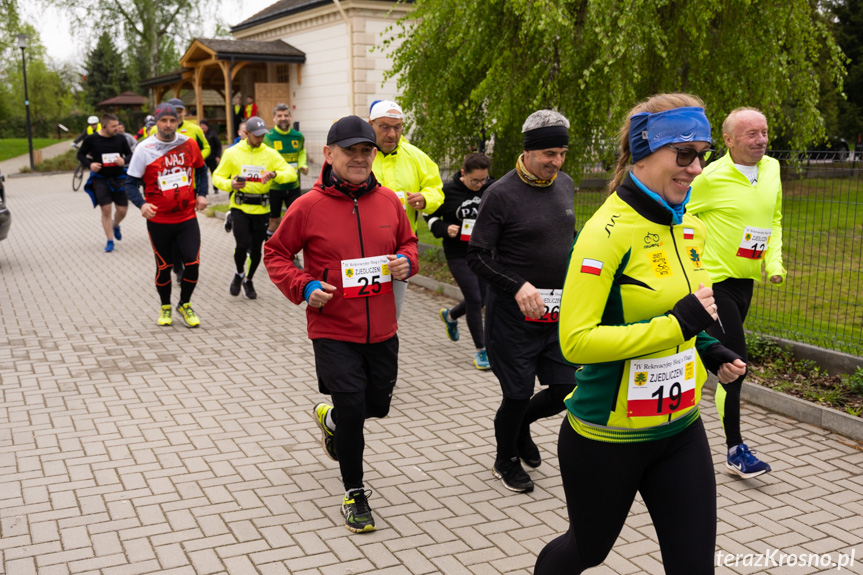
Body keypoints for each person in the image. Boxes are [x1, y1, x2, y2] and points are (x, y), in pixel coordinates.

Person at [534, 94, 747, 575]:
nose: (696, 168)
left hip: (680, 429)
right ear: (644, 151)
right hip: (606, 437)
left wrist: (710, 349)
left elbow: (690, 312)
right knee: (586, 552)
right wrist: (677, 325)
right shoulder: (604, 232)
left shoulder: (691, 226)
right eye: (684, 154)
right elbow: (577, 342)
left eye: (703, 153)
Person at [264, 115, 418, 533]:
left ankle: (331, 421)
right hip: (333, 328)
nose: (359, 158)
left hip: (383, 328)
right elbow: (276, 254)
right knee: (353, 408)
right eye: (350, 150)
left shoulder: (389, 201)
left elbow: (408, 243)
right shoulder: (307, 206)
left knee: (378, 407)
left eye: (366, 150)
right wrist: (304, 284)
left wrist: (408, 261)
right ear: (328, 154)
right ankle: (354, 491)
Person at [466, 110, 578, 494]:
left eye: (562, 152)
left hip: (558, 312)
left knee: (567, 389)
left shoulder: (565, 184)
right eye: (549, 153)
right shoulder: (500, 194)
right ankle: (505, 459)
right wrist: (517, 286)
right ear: (527, 152)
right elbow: (477, 256)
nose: (556, 161)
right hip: (512, 316)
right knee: (515, 394)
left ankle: (521, 428)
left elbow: (569, 239)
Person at [689, 107, 785, 479]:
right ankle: (735, 449)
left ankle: (679, 414)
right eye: (751, 134)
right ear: (728, 140)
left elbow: (773, 219)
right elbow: (678, 214)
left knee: (714, 360)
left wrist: (773, 264)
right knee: (736, 362)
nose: (761, 140)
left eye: (764, 132)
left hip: (745, 281)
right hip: (715, 283)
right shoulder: (709, 177)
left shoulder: (772, 169)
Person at [123, 103, 208, 328]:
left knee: (192, 263)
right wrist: (141, 204)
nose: (169, 125)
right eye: (164, 120)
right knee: (164, 267)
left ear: (178, 121)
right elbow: (130, 183)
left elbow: (200, 168)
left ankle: (184, 304)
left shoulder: (189, 143)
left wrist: (202, 194)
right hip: (159, 220)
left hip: (187, 217)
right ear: (157, 122)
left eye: (173, 120)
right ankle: (165, 306)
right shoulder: (144, 148)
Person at [369, 100, 444, 318]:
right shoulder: (360, 155)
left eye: (398, 127)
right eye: (384, 127)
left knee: (391, 314)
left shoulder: (416, 156)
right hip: (362, 247)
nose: (392, 134)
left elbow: (436, 189)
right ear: (370, 124)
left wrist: (425, 198)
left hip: (400, 249)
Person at [213, 116, 296, 300]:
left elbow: (290, 173)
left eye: (262, 135)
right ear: (246, 133)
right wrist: (230, 184)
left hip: (261, 208)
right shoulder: (232, 153)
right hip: (240, 207)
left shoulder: (270, 153)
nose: (260, 139)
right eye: (256, 135)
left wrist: (274, 174)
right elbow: (217, 177)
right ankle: (239, 272)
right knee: (242, 245)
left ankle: (248, 280)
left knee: (257, 251)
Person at [424, 152, 494, 370]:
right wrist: (444, 228)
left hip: (483, 252)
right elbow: (428, 214)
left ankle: (451, 315)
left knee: (482, 299)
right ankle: (482, 351)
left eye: (484, 179)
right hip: (457, 254)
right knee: (474, 298)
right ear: (463, 173)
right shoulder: (447, 191)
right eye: (475, 180)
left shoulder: (490, 188)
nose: (480, 184)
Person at [77, 113, 133, 253]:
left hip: (119, 178)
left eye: (117, 125)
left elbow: (130, 154)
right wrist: (90, 165)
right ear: (104, 126)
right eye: (113, 126)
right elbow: (80, 154)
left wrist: (124, 160)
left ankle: (116, 225)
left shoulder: (121, 139)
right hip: (100, 178)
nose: (117, 128)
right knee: (106, 209)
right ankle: (110, 240)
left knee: (122, 210)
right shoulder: (91, 139)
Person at [264, 103, 308, 238]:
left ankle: (292, 255)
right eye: (280, 116)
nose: (283, 118)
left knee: (295, 221)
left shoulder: (298, 136)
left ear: (290, 117)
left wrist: (303, 164)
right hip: (275, 187)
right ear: (274, 118)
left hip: (293, 186)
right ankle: (270, 251)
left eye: (286, 115)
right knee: (274, 221)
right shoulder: (268, 137)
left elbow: (301, 152)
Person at [199, 120, 223, 194]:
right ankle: (205, 190)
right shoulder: (199, 134)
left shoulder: (212, 134)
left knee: (214, 173)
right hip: (203, 158)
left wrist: (218, 156)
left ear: (207, 126)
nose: (202, 127)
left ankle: (216, 189)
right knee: (204, 175)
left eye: (204, 125)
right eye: (201, 125)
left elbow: (218, 145)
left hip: (212, 158)